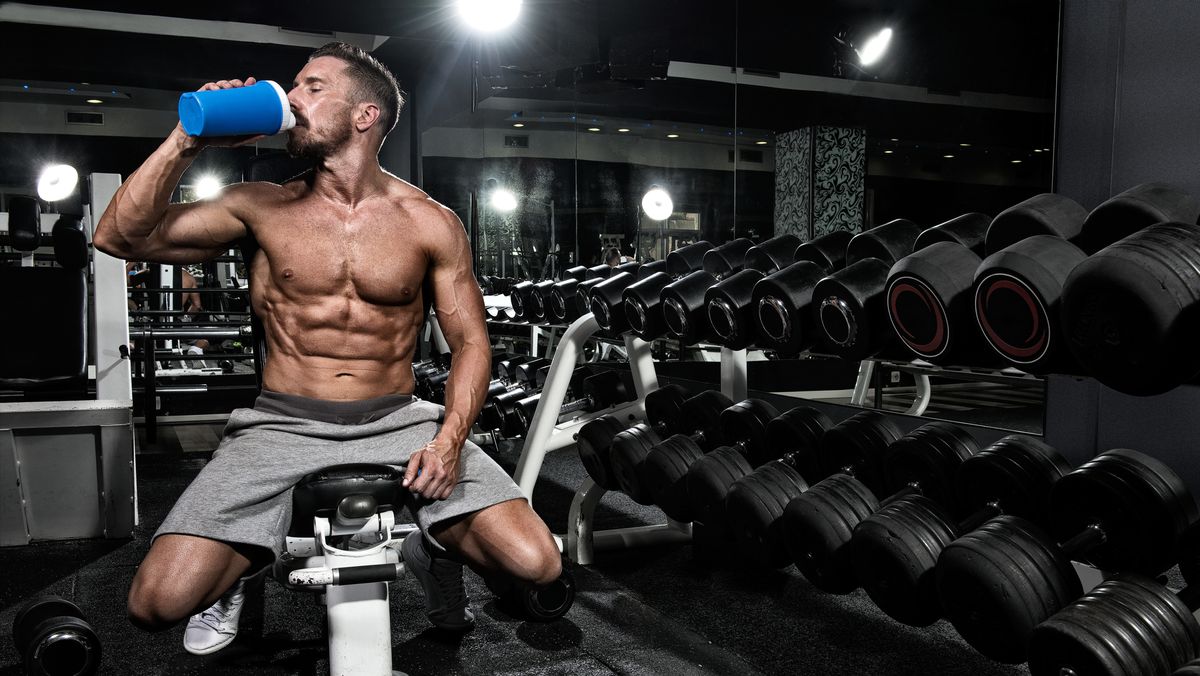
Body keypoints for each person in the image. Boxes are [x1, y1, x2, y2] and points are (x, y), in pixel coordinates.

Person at [93, 42, 561, 656]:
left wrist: (448, 443)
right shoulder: (260, 206)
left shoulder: (429, 222)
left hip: (398, 418)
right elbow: (117, 236)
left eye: (312, 87)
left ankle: (430, 546)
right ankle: (246, 568)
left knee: (536, 565)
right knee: (155, 604)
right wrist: (189, 137)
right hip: (280, 422)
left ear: (364, 117)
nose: (291, 98)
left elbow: (472, 344)